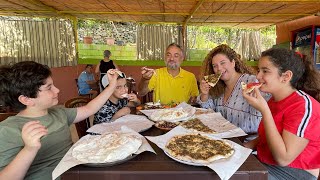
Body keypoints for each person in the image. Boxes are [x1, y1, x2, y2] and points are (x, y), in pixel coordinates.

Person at [0, 61, 119, 180]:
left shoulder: (58, 113)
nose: (57, 90)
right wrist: (29, 149)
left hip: (77, 173)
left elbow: (89, 108)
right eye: (49, 88)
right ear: (26, 99)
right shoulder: (8, 129)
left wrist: (112, 85)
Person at [243, 48, 320, 179]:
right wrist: (240, 149)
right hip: (266, 162)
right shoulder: (274, 100)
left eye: (265, 71)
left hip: (295, 173)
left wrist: (264, 111)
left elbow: (283, 158)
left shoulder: (304, 107)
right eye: (258, 70)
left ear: (286, 76)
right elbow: (267, 136)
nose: (258, 76)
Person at [196, 44, 270, 140]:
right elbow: (210, 113)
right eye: (215, 66)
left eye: (223, 63)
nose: (219, 68)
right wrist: (204, 94)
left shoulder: (251, 81)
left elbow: (272, 106)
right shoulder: (218, 87)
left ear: (233, 63)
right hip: (224, 139)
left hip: (249, 143)